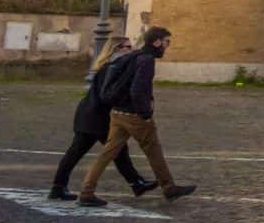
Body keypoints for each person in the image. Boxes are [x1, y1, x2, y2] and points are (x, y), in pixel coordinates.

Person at [77, 27, 195, 207]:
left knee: (108, 153)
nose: (167, 46)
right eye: (167, 42)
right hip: (134, 115)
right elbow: (137, 90)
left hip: (117, 113)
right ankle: (169, 187)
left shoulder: (133, 56)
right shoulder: (146, 60)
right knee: (153, 150)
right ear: (157, 42)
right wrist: (145, 113)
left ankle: (86, 192)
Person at [48, 39, 155, 200]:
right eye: (128, 47)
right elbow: (109, 95)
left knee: (112, 151)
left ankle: (136, 183)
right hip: (96, 116)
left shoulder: (111, 66)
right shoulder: (111, 67)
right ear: (117, 49)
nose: (131, 50)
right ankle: (135, 183)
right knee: (91, 151)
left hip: (91, 113)